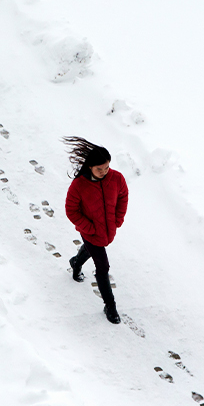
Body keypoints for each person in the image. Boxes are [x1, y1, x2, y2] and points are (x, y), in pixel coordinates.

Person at [63, 136, 129, 324]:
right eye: (99, 169)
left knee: (93, 248)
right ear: (90, 167)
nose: (104, 172)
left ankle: (76, 262)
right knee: (103, 266)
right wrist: (89, 228)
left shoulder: (116, 178)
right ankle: (110, 305)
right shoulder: (79, 185)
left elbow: (123, 195)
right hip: (90, 231)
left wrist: (118, 218)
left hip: (108, 230)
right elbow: (71, 210)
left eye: (106, 167)